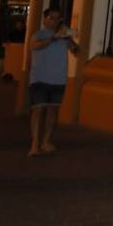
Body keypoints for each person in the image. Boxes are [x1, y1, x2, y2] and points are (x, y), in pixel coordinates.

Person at [27, 8, 78, 157]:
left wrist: (69, 39)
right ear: (45, 20)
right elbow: (36, 46)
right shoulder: (38, 34)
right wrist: (54, 38)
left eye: (58, 19)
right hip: (39, 78)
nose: (56, 21)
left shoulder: (63, 37)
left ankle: (46, 141)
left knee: (52, 111)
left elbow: (76, 51)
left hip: (58, 79)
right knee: (38, 110)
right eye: (52, 18)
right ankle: (35, 143)